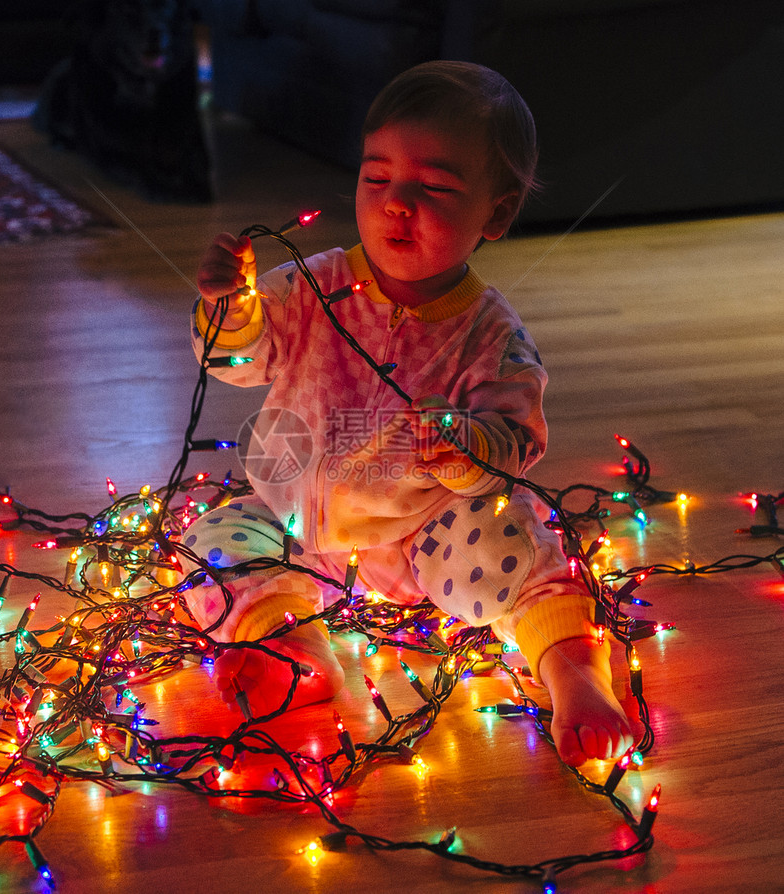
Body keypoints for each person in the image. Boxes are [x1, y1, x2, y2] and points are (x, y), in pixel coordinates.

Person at [184, 60, 633, 767]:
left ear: (498, 213)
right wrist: (229, 309)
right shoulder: (311, 286)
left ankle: (572, 667)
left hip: (429, 536)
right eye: (377, 177)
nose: (397, 202)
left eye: (435, 187)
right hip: (294, 522)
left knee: (515, 538)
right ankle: (294, 644)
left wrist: (466, 450)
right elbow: (237, 358)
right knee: (212, 542)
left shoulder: (492, 336)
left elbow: (514, 440)